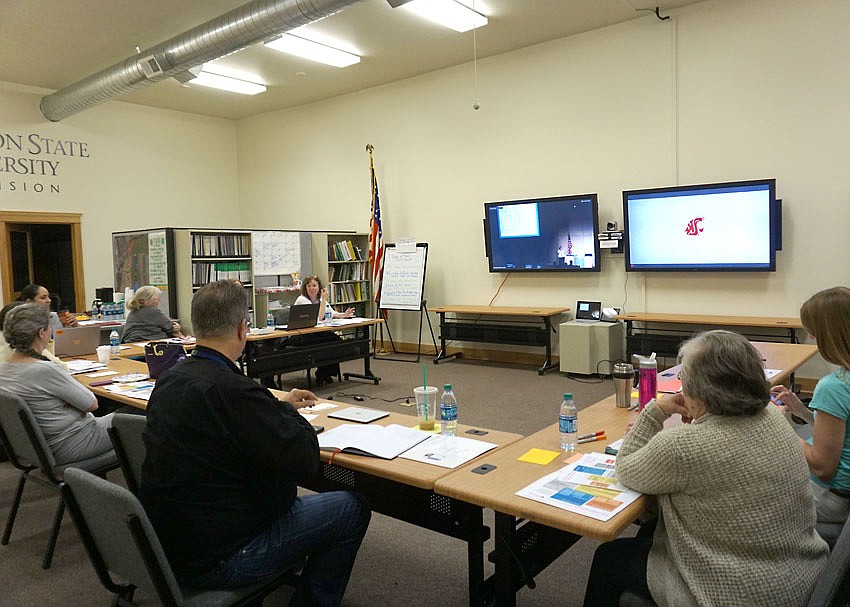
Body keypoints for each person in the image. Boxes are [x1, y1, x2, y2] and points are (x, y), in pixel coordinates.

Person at [140, 279, 370, 606]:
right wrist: (287, 413)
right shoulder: (235, 392)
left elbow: (237, 424)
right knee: (352, 507)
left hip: (169, 547)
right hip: (223, 557)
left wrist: (276, 404)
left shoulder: (171, 380)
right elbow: (304, 460)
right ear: (242, 329)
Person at [583, 330, 828, 607]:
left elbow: (626, 466)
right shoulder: (773, 416)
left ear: (699, 389)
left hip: (739, 595)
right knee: (651, 529)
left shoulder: (683, 446)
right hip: (801, 576)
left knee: (610, 557)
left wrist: (655, 411)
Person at [772, 286, 850, 524]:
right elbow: (840, 431)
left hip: (831, 499)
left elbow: (821, 467)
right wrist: (802, 411)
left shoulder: (834, 386)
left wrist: (778, 426)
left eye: (814, 334)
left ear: (830, 335)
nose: (813, 339)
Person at [0, 303, 114, 464]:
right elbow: (91, 404)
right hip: (73, 442)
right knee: (139, 416)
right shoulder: (44, 370)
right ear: (41, 333)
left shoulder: (4, 368)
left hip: (38, 448)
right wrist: (66, 401)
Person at [293, 275, 354, 385]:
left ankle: (325, 372)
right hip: (304, 334)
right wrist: (324, 299)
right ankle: (322, 372)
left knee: (335, 341)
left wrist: (344, 315)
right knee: (323, 345)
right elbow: (318, 318)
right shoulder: (302, 300)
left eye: (314, 286)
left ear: (319, 287)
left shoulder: (320, 299)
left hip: (319, 331)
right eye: (309, 286)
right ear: (305, 288)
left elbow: (332, 313)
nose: (312, 288)